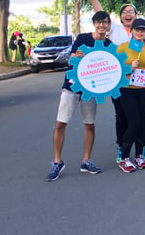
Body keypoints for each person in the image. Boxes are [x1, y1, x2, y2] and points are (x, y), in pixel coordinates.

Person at [87, 0, 145, 163]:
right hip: (120, 81)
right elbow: (100, 13)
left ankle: (144, 145)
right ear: (120, 16)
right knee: (121, 114)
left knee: (144, 115)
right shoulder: (115, 29)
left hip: (142, 83)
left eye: (131, 11)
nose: (128, 14)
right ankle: (122, 146)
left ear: (136, 15)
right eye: (125, 12)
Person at [46, 11, 111, 181]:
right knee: (61, 123)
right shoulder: (82, 38)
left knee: (89, 125)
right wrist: (74, 56)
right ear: (94, 23)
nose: (101, 25)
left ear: (108, 25)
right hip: (72, 87)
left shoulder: (109, 45)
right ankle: (57, 161)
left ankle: (86, 160)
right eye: (99, 22)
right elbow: (70, 59)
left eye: (105, 22)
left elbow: (112, 70)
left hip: (91, 91)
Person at [116, 18, 145, 173]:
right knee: (133, 122)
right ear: (131, 31)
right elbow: (115, 69)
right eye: (137, 30)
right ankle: (125, 158)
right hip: (127, 89)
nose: (140, 32)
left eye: (143, 30)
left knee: (142, 122)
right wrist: (129, 67)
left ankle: (139, 156)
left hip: (144, 89)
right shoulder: (122, 48)